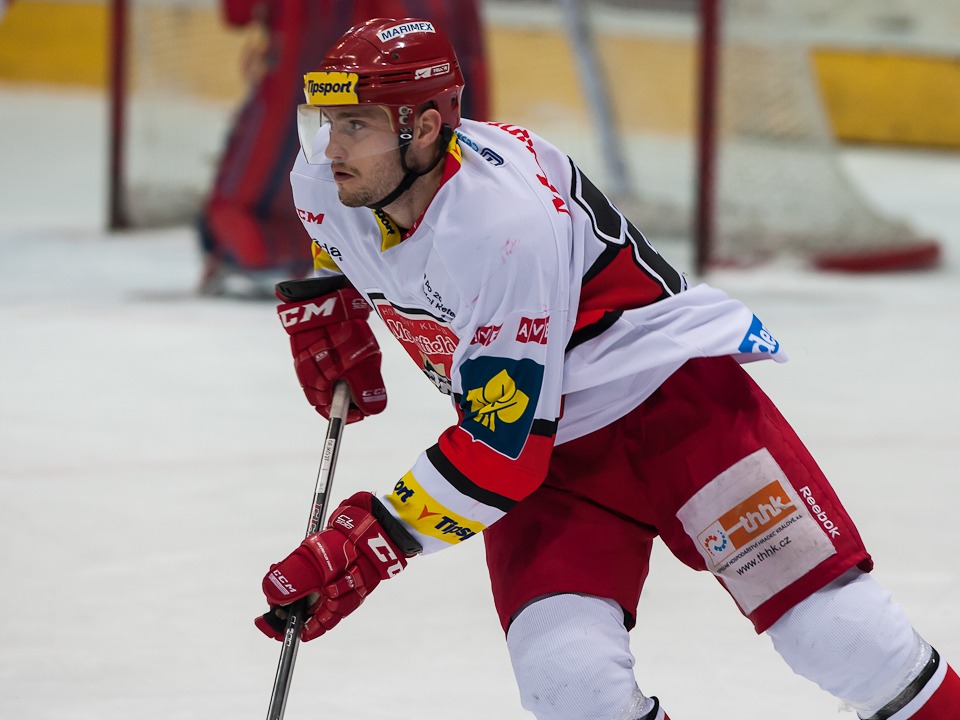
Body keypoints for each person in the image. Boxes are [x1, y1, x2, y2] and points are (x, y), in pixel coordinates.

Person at [254, 17, 959, 720]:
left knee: (844, 638)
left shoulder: (502, 224)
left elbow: (502, 452)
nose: (332, 145)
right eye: (330, 120)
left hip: (675, 409)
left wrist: (374, 537)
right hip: (556, 461)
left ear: (428, 127)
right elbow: (334, 240)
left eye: (359, 125)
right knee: (571, 687)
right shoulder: (325, 179)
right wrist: (329, 299)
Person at [198, 1, 489, 297]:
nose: (331, 150)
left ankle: (261, 254)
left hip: (312, 46)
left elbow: (238, 14)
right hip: (449, 223)